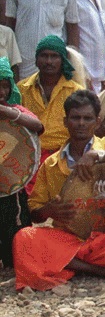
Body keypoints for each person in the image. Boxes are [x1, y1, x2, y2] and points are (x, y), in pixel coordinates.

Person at [13, 90, 105, 291]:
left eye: (87, 118)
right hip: (72, 239)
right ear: (65, 121)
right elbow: (35, 212)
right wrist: (49, 210)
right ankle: (99, 269)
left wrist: (98, 155)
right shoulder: (51, 164)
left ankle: (72, 263)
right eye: (75, 118)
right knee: (25, 238)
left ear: (98, 121)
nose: (81, 123)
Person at [0, 58, 43, 268]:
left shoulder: (15, 109)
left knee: (14, 228)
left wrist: (10, 113)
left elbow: (38, 126)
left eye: (4, 85)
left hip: (12, 184)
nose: (0, 91)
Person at [19, 36, 84, 170]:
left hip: (64, 157)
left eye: (54, 56)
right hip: (28, 157)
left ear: (63, 60)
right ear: (36, 60)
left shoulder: (76, 91)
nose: (49, 61)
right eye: (44, 56)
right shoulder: (22, 88)